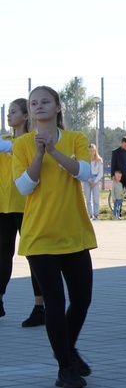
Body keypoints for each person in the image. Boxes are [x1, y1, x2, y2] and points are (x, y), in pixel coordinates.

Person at [12, 85, 96, 388]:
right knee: (55, 303)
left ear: (58, 107)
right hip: (40, 237)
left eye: (45, 101)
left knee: (83, 299)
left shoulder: (75, 139)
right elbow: (24, 187)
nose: (38, 106)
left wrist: (54, 151)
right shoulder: (22, 144)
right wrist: (38, 153)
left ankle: (68, 349)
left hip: (75, 233)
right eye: (33, 103)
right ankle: (64, 368)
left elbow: (85, 173)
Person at [0, 98, 45, 326]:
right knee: (2, 255)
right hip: (3, 207)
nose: (9, 116)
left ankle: (40, 307)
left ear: (26, 115)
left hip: (27, 206)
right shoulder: (5, 141)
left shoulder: (29, 142)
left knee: (34, 257)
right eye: (8, 112)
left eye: (13, 112)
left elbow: (14, 148)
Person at [110, 136, 126, 218]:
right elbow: (113, 165)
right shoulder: (115, 152)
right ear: (121, 143)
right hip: (119, 177)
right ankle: (118, 213)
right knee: (119, 196)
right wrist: (113, 175)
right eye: (124, 145)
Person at [84, 144, 104, 220]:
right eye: (90, 151)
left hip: (96, 179)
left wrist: (94, 182)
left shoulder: (99, 160)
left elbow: (101, 173)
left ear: (95, 151)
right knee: (88, 198)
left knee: (96, 198)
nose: (92, 152)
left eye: (93, 150)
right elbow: (85, 171)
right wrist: (89, 180)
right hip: (87, 179)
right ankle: (90, 214)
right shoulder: (86, 160)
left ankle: (96, 215)